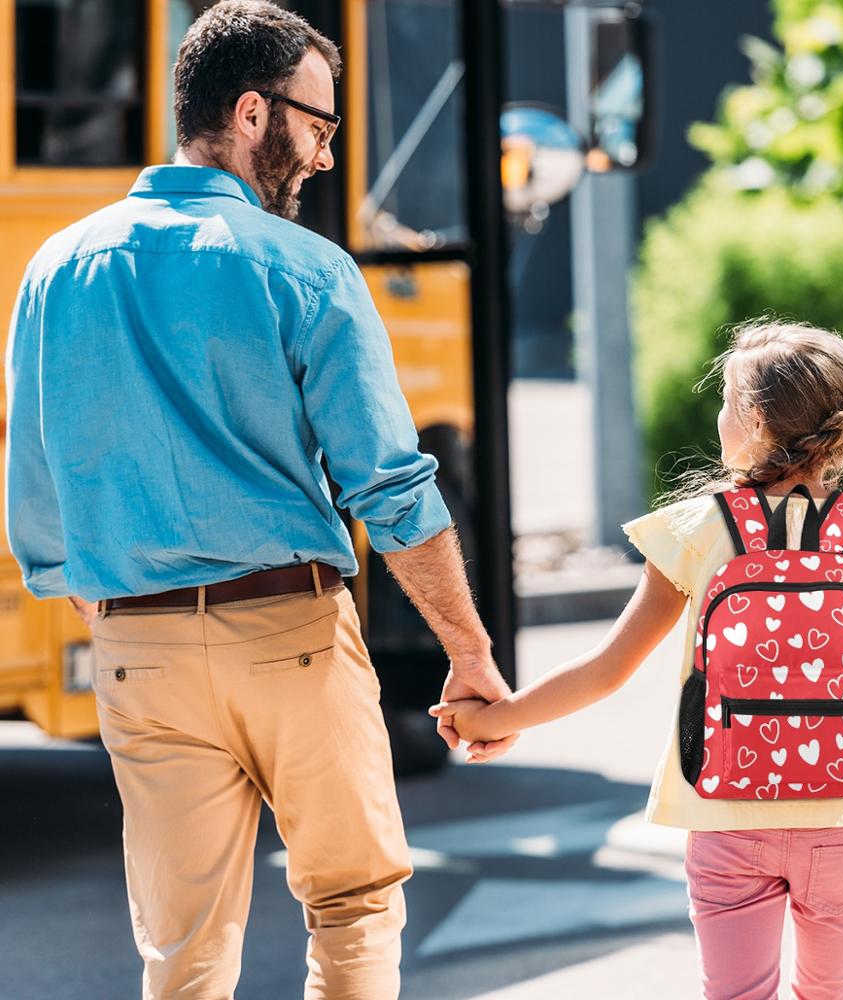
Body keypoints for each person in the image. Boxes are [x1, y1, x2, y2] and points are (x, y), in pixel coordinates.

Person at [4, 2, 515, 997]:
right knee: (354, 903)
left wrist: (122, 617)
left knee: (183, 949)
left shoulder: (54, 269)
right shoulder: (305, 268)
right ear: (251, 111)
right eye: (319, 126)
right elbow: (389, 486)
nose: (324, 157)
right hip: (288, 633)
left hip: (135, 651)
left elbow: (37, 489)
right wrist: (467, 652)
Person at [432, 321, 843, 999]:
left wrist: (493, 719)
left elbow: (609, 667)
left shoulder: (698, 531)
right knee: (835, 992)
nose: (722, 416)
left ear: (754, 420)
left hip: (726, 812)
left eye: (728, 402)